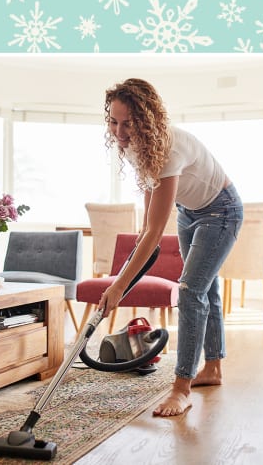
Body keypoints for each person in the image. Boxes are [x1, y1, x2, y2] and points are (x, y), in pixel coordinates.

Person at [97, 78, 242, 417]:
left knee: (191, 292)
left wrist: (119, 285)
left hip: (221, 211)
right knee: (208, 288)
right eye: (113, 121)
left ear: (145, 120)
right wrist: (130, 263)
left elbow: (155, 231)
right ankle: (214, 368)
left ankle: (182, 389)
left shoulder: (168, 149)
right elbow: (148, 224)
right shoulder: (135, 145)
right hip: (189, 211)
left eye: (127, 123)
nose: (119, 132)